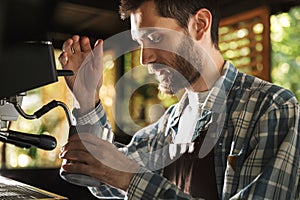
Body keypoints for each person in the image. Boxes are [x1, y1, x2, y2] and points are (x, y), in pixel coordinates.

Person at [58, 0, 300, 199]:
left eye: (153, 38)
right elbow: (103, 178)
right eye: (139, 43)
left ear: (200, 25)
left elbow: (122, 175)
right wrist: (87, 98)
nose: (144, 58)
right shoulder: (169, 123)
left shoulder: (271, 108)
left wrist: (129, 178)